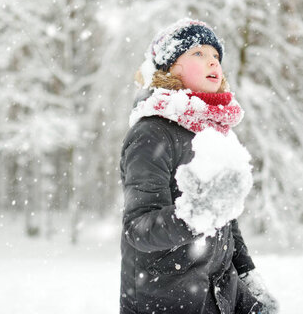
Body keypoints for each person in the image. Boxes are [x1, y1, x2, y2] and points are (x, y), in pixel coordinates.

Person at [119, 19, 279, 314]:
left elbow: (226, 219)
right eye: (198, 54)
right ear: (171, 68)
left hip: (219, 295)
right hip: (166, 300)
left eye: (216, 56)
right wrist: (196, 214)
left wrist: (247, 277)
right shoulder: (152, 133)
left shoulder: (213, 130)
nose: (212, 62)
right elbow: (137, 229)